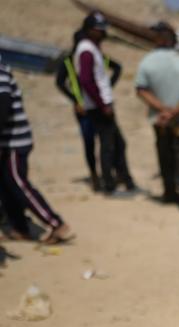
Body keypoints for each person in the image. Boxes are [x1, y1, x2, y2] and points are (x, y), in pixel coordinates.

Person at [0, 58, 73, 244]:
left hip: (14, 140)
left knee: (18, 183)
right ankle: (20, 228)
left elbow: (3, 105)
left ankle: (56, 224)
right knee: (7, 186)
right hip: (9, 140)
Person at [135, 22, 179, 211]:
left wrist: (162, 110)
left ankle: (170, 195)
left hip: (160, 120)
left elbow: (141, 90)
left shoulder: (147, 61)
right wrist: (174, 111)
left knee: (166, 158)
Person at [57, 28, 132, 193]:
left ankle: (114, 176)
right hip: (84, 110)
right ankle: (97, 176)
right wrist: (76, 100)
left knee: (110, 143)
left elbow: (116, 68)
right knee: (91, 143)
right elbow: (61, 83)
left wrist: (106, 91)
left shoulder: (93, 56)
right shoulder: (71, 60)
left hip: (97, 105)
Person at [74, 12, 136, 194]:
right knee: (108, 146)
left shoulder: (93, 48)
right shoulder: (86, 50)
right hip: (98, 107)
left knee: (118, 144)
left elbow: (112, 70)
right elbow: (86, 80)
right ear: (89, 30)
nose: (102, 33)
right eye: (98, 29)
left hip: (101, 104)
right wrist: (102, 104)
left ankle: (124, 180)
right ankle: (110, 185)